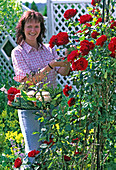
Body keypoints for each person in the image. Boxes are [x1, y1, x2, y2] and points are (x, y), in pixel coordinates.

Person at [11, 10, 70, 166]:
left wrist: (68, 58)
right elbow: (28, 82)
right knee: (33, 151)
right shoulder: (18, 52)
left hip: (49, 106)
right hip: (30, 107)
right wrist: (50, 66)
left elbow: (63, 71)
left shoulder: (48, 49)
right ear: (22, 29)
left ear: (41, 28)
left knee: (48, 149)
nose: (33, 30)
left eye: (36, 26)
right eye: (29, 26)